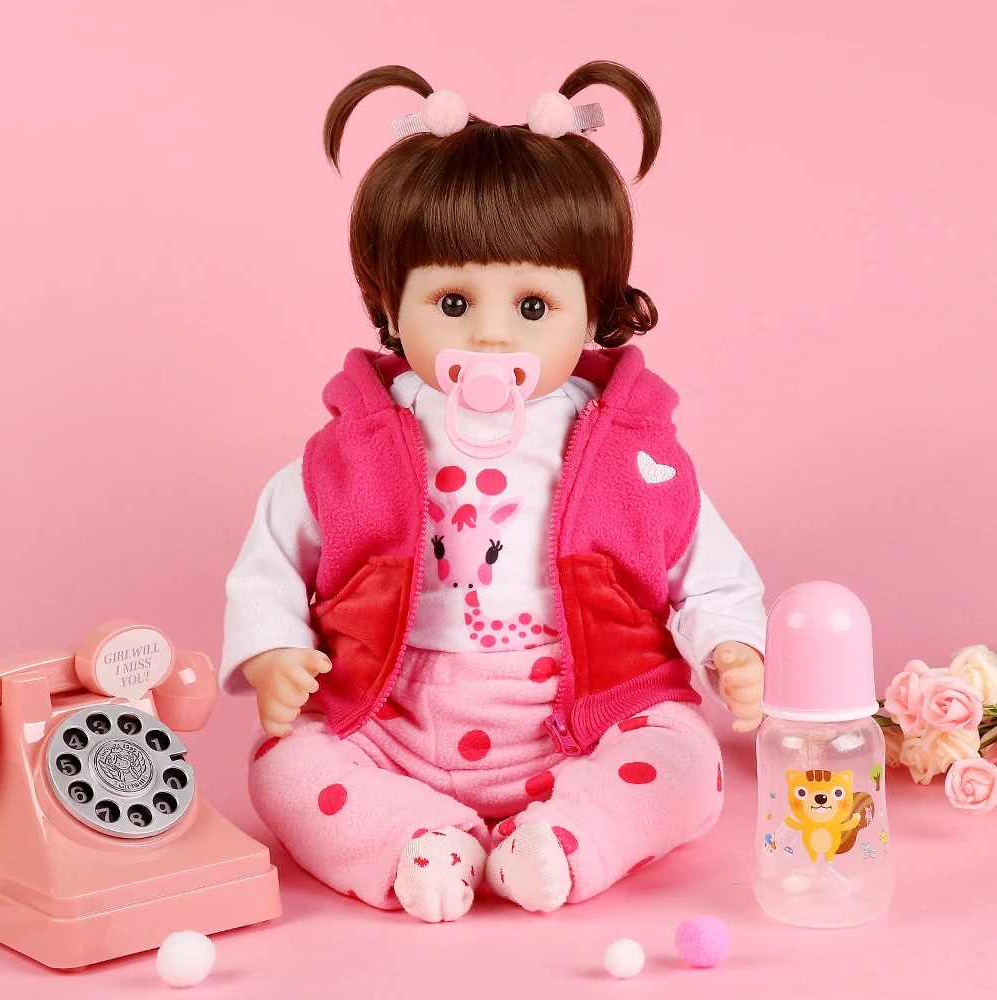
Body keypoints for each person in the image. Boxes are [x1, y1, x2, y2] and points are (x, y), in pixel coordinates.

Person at [220, 61, 767, 923]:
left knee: (688, 766)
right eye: (451, 300)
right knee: (283, 765)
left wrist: (730, 644)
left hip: (584, 712)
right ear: (389, 305)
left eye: (533, 308)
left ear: (593, 309)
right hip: (392, 710)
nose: (489, 334)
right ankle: (413, 838)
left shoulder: (631, 450)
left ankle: (565, 839)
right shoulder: (354, 448)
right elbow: (269, 564)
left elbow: (705, 562)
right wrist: (274, 651)